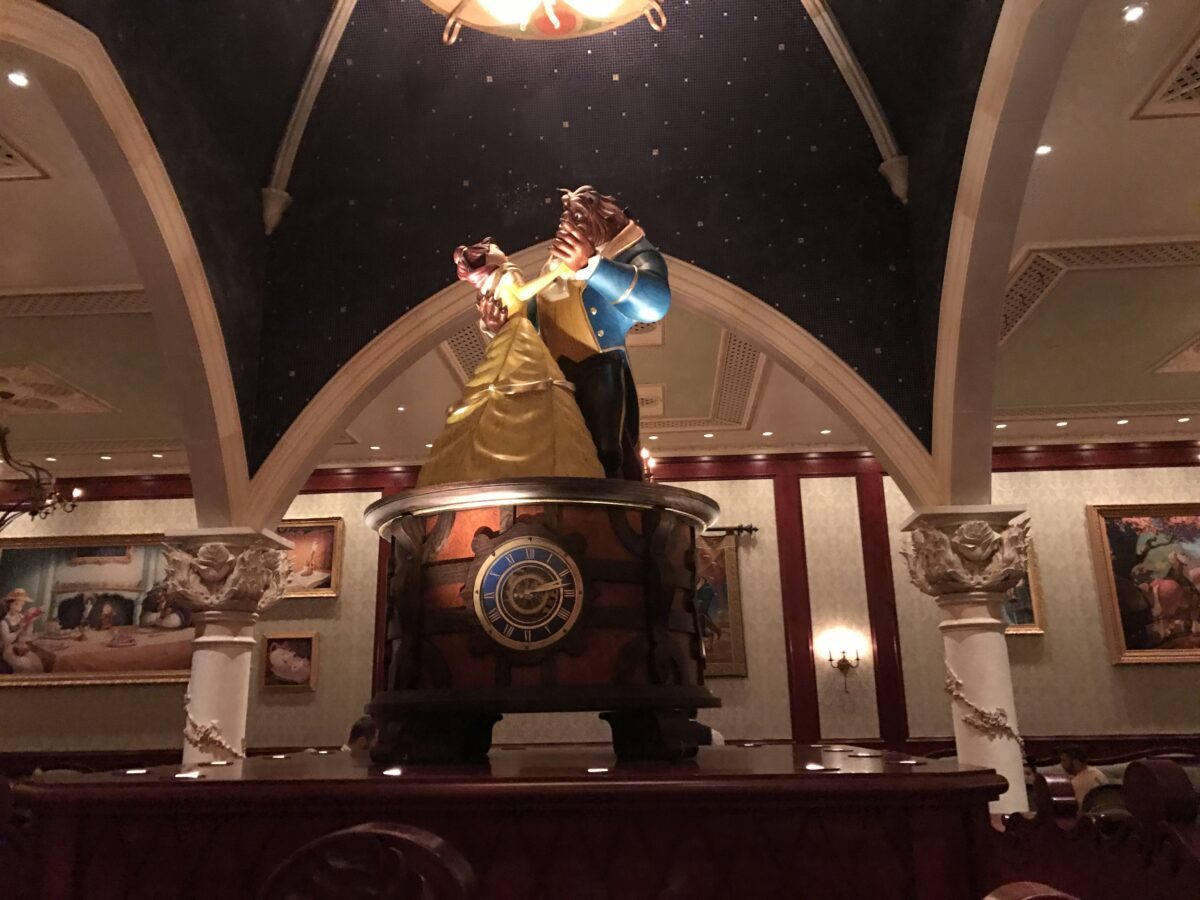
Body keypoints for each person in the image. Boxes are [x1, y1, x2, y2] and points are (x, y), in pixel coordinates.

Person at [477, 186, 671, 480]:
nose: (566, 223)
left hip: (601, 369)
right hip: (553, 378)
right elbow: (534, 321)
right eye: (565, 217)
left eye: (577, 216)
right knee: (549, 452)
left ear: (602, 218)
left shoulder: (630, 251)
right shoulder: (552, 270)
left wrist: (592, 266)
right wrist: (502, 326)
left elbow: (655, 303)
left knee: (605, 453)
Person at [416, 238, 605, 487]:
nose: (501, 250)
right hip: (521, 335)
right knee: (532, 388)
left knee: (499, 392)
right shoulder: (506, 275)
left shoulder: (490, 285)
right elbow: (523, 294)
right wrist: (560, 270)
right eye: (494, 249)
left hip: (512, 336)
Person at [2, 588, 45, 675]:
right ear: (10, 604)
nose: (19, 608)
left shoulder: (22, 617)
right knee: (24, 665)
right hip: (9, 650)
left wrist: (30, 622)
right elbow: (6, 641)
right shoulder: (4, 621)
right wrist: (20, 629)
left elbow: (27, 636)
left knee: (37, 663)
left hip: (21, 648)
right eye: (16, 604)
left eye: (21, 605)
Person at [1058, 744, 1107, 809]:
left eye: (1064, 760)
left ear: (1076, 762)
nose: (1061, 764)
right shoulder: (1097, 772)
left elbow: (1082, 809)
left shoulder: (1077, 783)